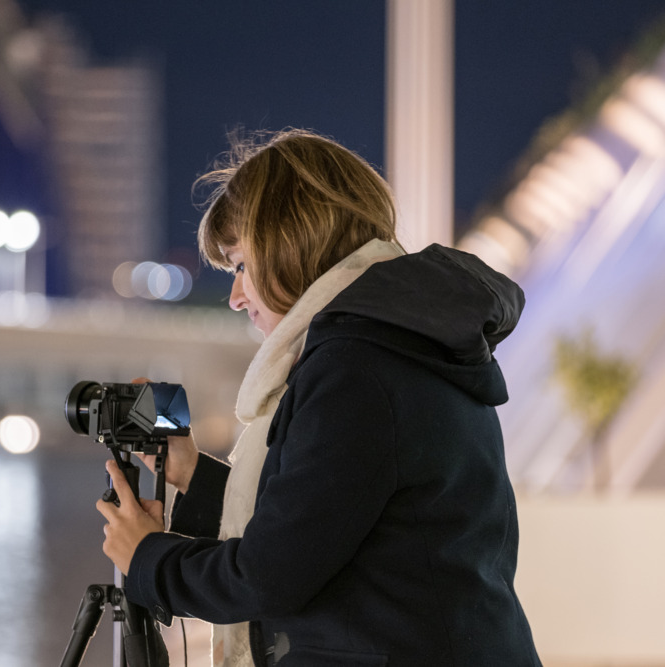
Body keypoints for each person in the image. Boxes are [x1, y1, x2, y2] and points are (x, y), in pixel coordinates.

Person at [96, 128, 541, 666]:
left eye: (240, 266)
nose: (236, 298)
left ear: (289, 241)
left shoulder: (356, 369)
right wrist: (190, 471)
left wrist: (147, 560)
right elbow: (320, 526)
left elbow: (270, 575)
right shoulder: (401, 343)